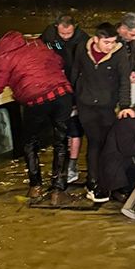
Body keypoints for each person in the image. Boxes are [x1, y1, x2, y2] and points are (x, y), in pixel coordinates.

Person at [0, 31, 81, 206]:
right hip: (62, 95)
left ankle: (35, 187)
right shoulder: (34, 44)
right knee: (61, 141)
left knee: (28, 142)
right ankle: (58, 191)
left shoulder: (0, 61)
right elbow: (58, 61)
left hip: (35, 101)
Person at [70, 22, 133, 202]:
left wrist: (125, 106)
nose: (110, 46)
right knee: (94, 142)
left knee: (109, 144)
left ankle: (108, 183)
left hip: (108, 106)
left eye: (113, 42)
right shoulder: (82, 48)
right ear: (96, 39)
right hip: (86, 105)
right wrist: (73, 100)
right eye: (106, 42)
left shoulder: (119, 53)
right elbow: (75, 72)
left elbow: (124, 81)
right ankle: (93, 182)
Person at [40, 14, 88, 184]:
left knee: (75, 128)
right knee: (59, 130)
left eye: (69, 33)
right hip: (55, 88)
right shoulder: (49, 37)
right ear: (56, 27)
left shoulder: (83, 40)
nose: (65, 37)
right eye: (62, 34)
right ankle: (58, 167)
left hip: (75, 88)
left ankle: (72, 166)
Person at [116, 12, 135, 79]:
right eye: (132, 35)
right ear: (123, 28)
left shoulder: (133, 40)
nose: (134, 38)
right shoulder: (108, 40)